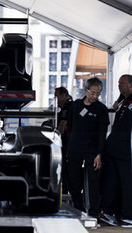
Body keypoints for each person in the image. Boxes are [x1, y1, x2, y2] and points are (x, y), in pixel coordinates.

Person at [66, 77, 109, 219]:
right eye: (93, 93)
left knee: (93, 181)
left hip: (92, 150)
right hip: (74, 149)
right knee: (74, 180)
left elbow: (102, 134)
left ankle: (94, 212)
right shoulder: (76, 105)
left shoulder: (101, 109)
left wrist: (99, 154)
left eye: (98, 93)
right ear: (85, 90)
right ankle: (78, 208)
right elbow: (70, 126)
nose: (95, 96)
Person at [100, 74, 132, 228]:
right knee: (112, 181)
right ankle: (108, 213)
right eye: (118, 83)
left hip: (125, 148)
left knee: (126, 183)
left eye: (122, 83)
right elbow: (115, 104)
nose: (119, 85)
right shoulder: (123, 101)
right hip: (114, 147)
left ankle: (125, 215)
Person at [54, 87, 73, 194]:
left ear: (64, 95)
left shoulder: (68, 106)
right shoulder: (65, 107)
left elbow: (61, 127)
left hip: (67, 143)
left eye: (57, 95)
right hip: (68, 143)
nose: (55, 98)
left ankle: (65, 192)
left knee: (65, 170)